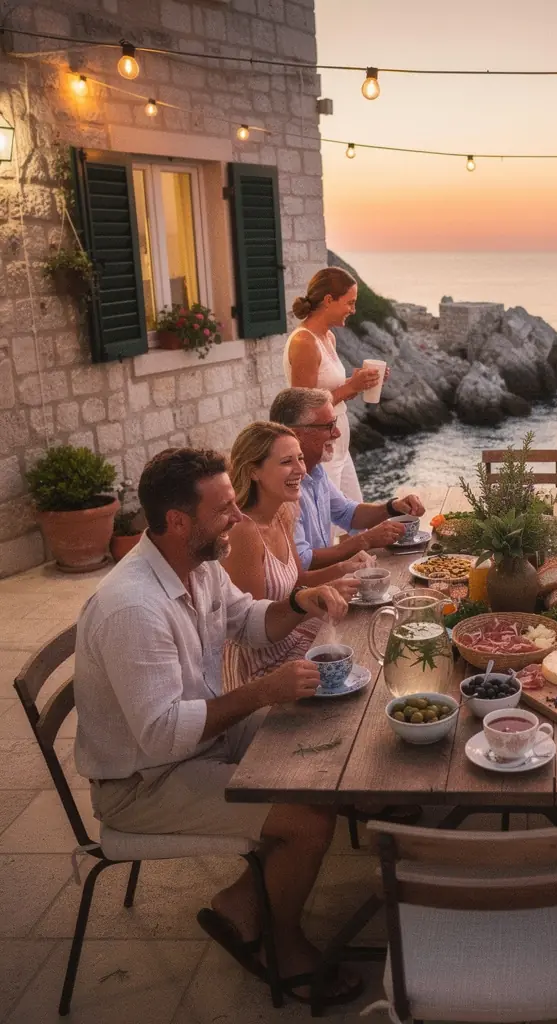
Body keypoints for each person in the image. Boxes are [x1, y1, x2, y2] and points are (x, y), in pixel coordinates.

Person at [74, 448, 365, 1004]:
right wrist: (262, 691)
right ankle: (279, 944)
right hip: (144, 781)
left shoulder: (199, 562)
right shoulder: (132, 608)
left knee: (320, 746)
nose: (238, 517)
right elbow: (162, 734)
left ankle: (240, 902)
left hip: (197, 741)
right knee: (307, 819)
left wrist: (300, 602)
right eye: (224, 508)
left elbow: (249, 621)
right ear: (179, 522)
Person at [221, 422, 361, 691]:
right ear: (253, 471)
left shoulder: (284, 511)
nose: (301, 469)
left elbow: (298, 582)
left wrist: (343, 572)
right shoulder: (243, 532)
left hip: (290, 639)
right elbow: (253, 630)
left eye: (300, 458)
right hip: (260, 667)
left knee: (363, 635)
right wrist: (313, 599)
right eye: (287, 461)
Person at [268, 387, 425, 570]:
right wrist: (364, 540)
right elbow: (303, 561)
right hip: (310, 585)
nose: (337, 433)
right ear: (296, 434)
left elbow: (347, 513)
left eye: (335, 423)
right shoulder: (283, 488)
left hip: (324, 579)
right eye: (328, 426)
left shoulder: (315, 470)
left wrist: (393, 507)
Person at [285, 267, 385, 501]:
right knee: (329, 518)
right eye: (350, 303)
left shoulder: (328, 337)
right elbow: (304, 410)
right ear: (329, 300)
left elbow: (328, 392)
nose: (353, 310)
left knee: (356, 512)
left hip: (339, 441)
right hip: (321, 447)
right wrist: (352, 387)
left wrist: (360, 382)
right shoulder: (304, 342)